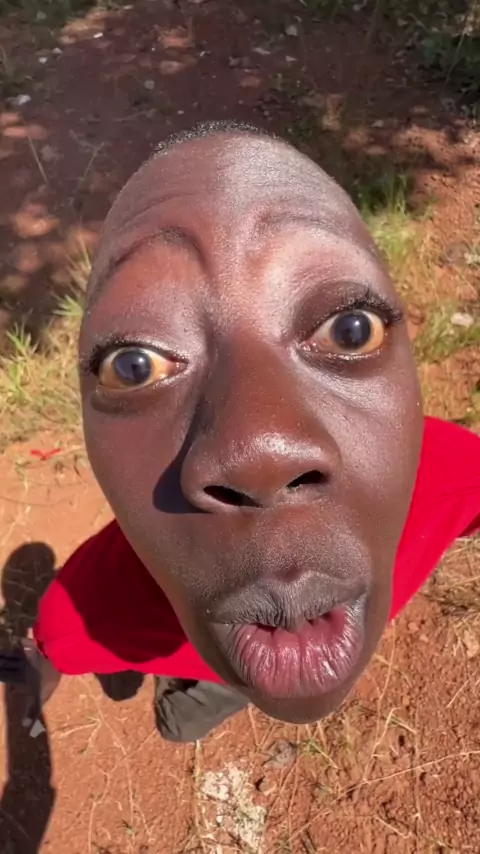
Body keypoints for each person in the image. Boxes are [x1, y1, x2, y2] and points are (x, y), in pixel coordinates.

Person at [1, 122, 479, 744]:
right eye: (135, 365)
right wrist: (38, 678)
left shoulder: (453, 473)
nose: (262, 454)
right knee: (185, 718)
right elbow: (56, 647)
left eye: (349, 329)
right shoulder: (97, 605)